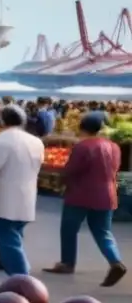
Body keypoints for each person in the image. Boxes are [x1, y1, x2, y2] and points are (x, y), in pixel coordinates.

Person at [44, 113, 126, 286]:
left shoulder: (82, 147)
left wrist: (61, 181)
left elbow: (71, 170)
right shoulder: (114, 146)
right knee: (103, 231)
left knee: (69, 229)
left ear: (81, 128)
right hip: (107, 194)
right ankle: (115, 261)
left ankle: (67, 263)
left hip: (80, 194)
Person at [0, 105, 44, 275]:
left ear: (1, 121)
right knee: (15, 238)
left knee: (8, 243)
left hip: (6, 199)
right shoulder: (36, 141)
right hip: (28, 197)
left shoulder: (0, 141)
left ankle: (22, 280)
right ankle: (19, 278)